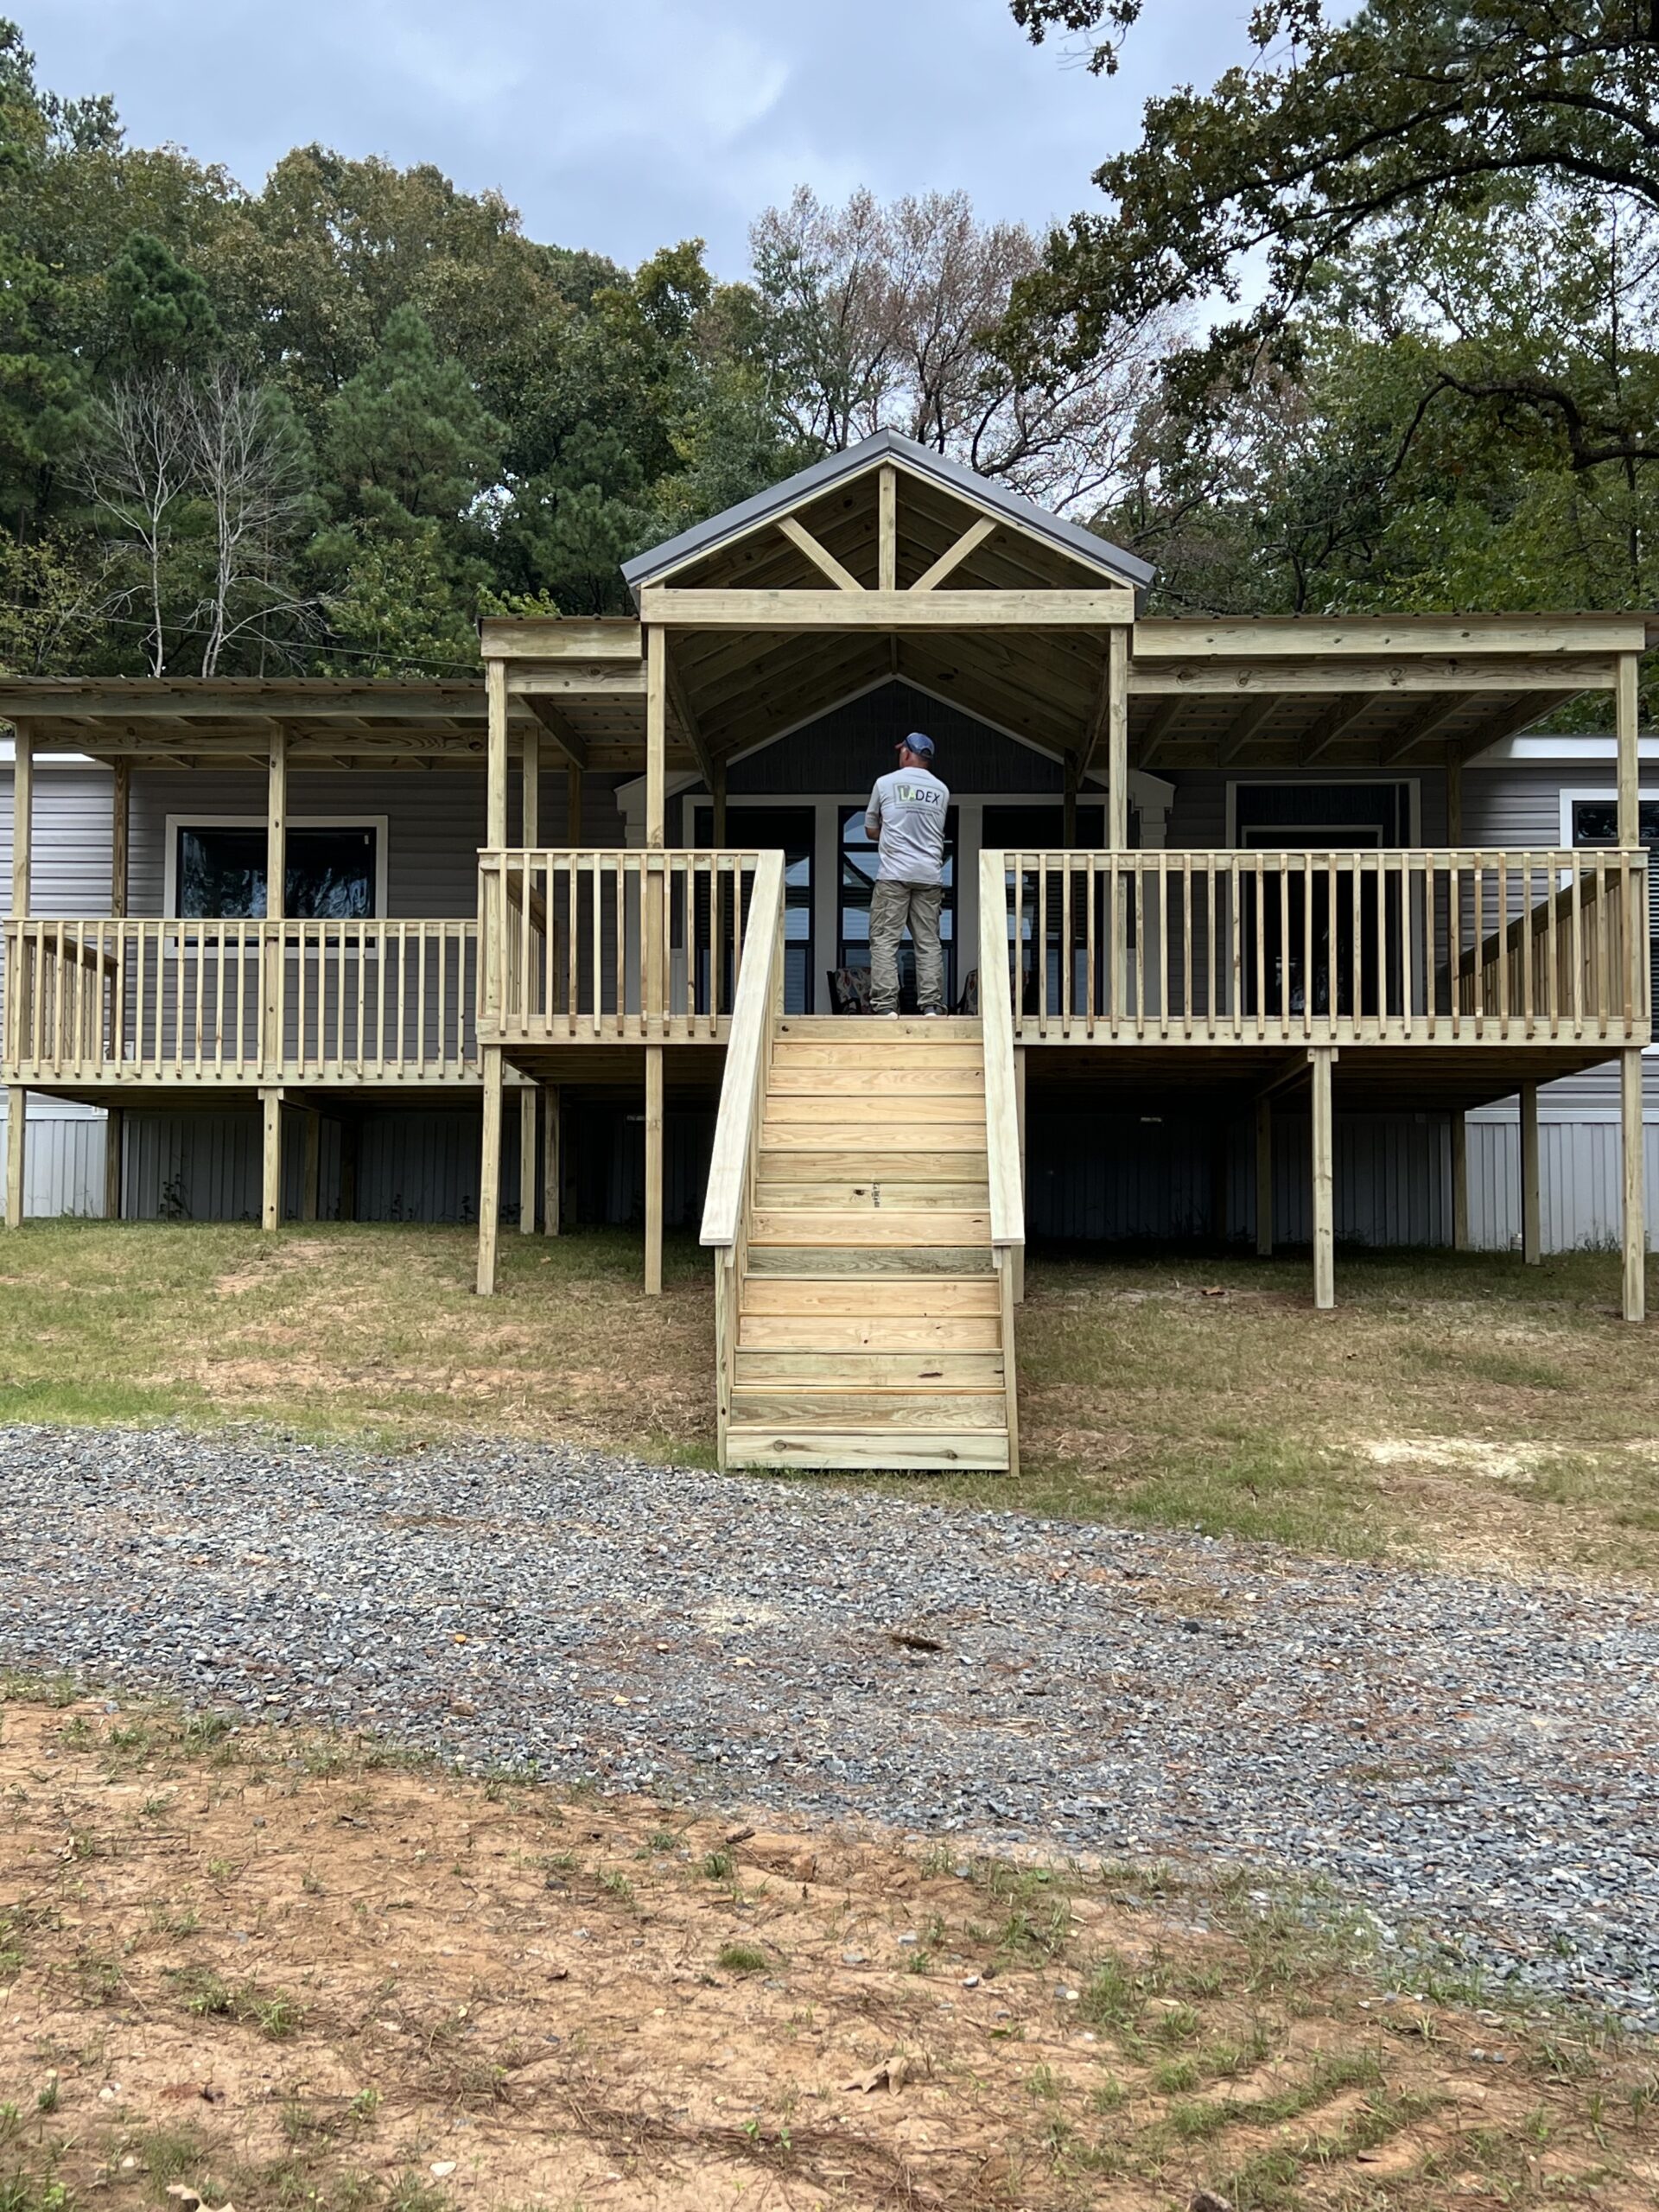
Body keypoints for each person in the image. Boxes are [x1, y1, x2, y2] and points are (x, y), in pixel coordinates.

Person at [864, 732, 949, 1016]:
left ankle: (886, 1006)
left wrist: (891, 833)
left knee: (885, 940)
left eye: (901, 750)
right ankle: (932, 1005)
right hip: (929, 875)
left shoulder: (885, 783)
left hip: (894, 875)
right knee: (928, 942)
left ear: (906, 753)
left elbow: (871, 830)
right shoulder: (942, 790)